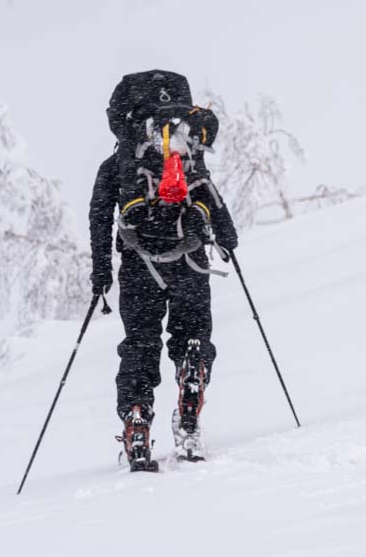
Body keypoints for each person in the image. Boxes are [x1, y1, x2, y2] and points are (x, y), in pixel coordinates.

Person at [90, 69, 239, 470]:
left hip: (139, 266)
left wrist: (101, 271)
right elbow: (211, 197)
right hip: (189, 261)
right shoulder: (188, 156)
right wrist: (226, 237)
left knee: (140, 344)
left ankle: (136, 420)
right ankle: (191, 383)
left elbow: (100, 214)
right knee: (192, 332)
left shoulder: (118, 162)